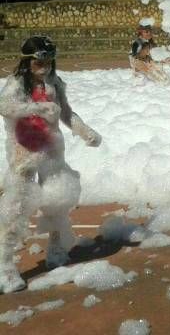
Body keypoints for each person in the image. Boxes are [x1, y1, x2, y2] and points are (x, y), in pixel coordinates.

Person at [0, 37, 103, 293]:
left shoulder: (54, 83)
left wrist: (83, 130)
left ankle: (56, 251)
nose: (44, 65)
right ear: (27, 62)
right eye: (38, 60)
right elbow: (4, 106)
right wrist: (36, 108)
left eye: (48, 60)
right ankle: (4, 268)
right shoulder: (16, 84)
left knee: (57, 201)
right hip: (23, 154)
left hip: (52, 151)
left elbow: (65, 111)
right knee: (16, 210)